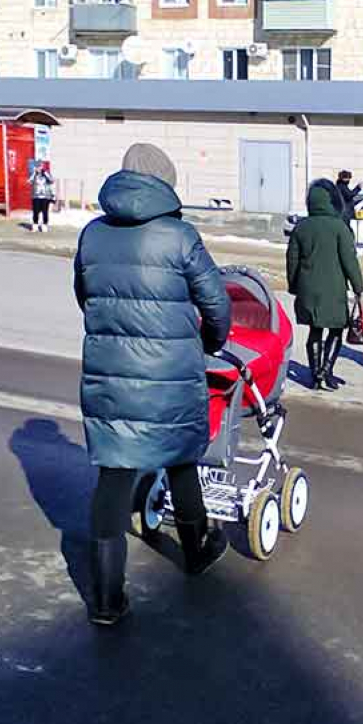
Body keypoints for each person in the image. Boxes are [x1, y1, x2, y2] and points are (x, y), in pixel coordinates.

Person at [73, 143, 232, 626]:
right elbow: (217, 304)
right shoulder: (180, 237)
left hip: (111, 372)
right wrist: (209, 342)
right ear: (165, 183)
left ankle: (106, 601)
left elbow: (85, 295)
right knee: (181, 459)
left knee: (114, 472)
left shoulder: (93, 234)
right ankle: (197, 552)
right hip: (171, 372)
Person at [287, 179, 363, 391]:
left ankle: (314, 375)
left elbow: (292, 259)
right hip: (334, 288)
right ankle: (326, 370)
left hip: (307, 287)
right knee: (336, 330)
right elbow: (349, 260)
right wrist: (358, 286)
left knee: (315, 330)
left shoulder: (301, 228)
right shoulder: (339, 227)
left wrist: (294, 286)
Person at [29, 161, 55, 233]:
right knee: (35, 212)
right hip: (36, 196)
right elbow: (29, 181)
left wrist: (45, 173)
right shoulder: (33, 174)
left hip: (45, 196)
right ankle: (35, 226)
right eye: (37, 167)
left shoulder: (46, 174)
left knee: (45, 212)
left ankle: (44, 226)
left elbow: (52, 180)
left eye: (40, 166)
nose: (39, 168)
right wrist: (34, 173)